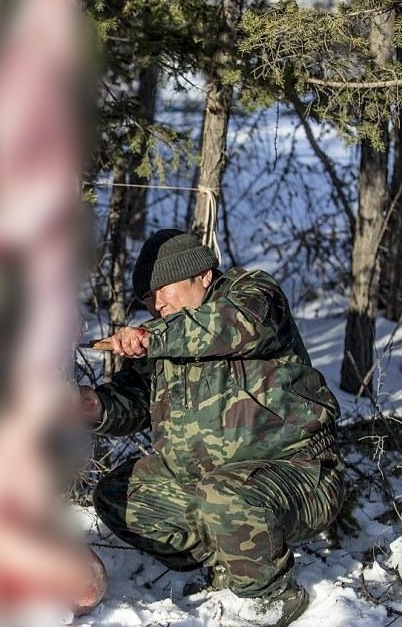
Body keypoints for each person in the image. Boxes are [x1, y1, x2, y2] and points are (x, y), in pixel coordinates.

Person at [79, 229, 343, 627]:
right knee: (119, 495)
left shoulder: (251, 296)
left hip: (298, 475)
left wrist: (152, 338)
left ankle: (270, 595)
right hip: (209, 486)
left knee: (223, 495)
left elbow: (233, 326)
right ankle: (227, 565)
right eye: (148, 299)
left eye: (164, 289)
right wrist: (91, 405)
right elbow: (133, 400)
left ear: (202, 275)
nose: (158, 304)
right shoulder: (165, 338)